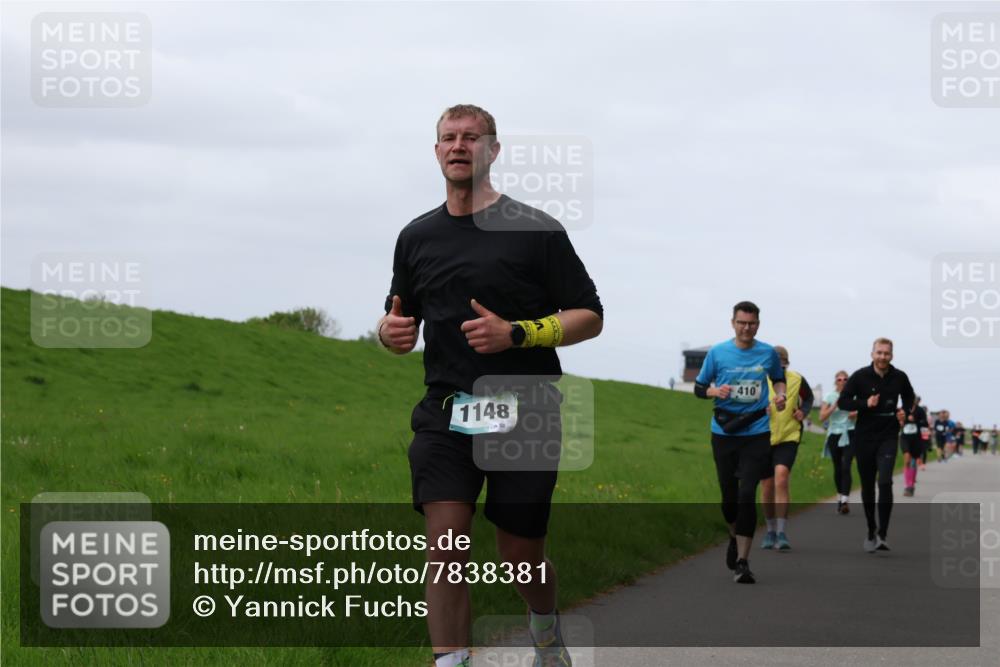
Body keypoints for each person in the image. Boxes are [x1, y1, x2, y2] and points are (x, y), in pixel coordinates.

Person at [379, 104, 603, 667]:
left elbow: (589, 315)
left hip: (525, 410)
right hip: (446, 411)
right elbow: (397, 314)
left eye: (471, 137)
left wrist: (518, 334)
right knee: (444, 545)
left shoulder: (535, 230)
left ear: (493, 151)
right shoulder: (415, 236)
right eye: (448, 138)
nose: (458, 145)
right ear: (436, 152)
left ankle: (545, 629)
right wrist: (390, 332)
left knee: (519, 555)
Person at [694, 301, 786, 583]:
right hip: (724, 432)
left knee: (747, 494)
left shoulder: (767, 353)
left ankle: (743, 562)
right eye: (742, 322)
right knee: (729, 499)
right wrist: (714, 390)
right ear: (733, 323)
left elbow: (778, 379)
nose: (747, 328)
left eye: (752, 323)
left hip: (756, 432)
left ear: (758, 324)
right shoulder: (718, 353)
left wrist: (780, 395)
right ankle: (733, 535)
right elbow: (699, 388)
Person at [838, 338, 915, 552]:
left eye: (886, 353)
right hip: (864, 435)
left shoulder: (899, 377)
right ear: (872, 354)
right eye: (879, 353)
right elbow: (843, 401)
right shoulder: (860, 376)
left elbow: (909, 397)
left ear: (892, 355)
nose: (882, 357)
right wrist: (864, 404)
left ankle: (883, 534)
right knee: (868, 484)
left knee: (885, 481)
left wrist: (905, 412)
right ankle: (871, 529)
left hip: (889, 434)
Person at [760, 346, 814, 550]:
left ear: (786, 363)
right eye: (774, 363)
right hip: (763, 436)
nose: (778, 366)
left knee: (781, 477)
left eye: (781, 363)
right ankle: (770, 530)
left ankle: (782, 532)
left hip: (789, 435)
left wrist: (804, 412)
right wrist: (759, 409)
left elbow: (808, 398)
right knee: (766, 485)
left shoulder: (797, 379)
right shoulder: (759, 379)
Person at [819, 371, 857, 514]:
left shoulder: (854, 396)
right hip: (834, 434)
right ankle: (839, 497)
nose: (842, 381)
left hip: (849, 432)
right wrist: (834, 406)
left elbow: (862, 409)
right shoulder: (829, 396)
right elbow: (822, 417)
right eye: (839, 379)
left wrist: (855, 413)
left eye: (845, 379)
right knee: (838, 467)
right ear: (835, 381)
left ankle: (845, 501)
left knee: (846, 465)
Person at [899, 395, 929, 497]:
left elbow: (925, 425)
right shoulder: (902, 409)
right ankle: (908, 486)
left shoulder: (920, 411)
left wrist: (915, 420)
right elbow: (899, 421)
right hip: (905, 438)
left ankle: (911, 486)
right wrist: (902, 421)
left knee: (913, 462)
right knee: (907, 459)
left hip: (916, 439)